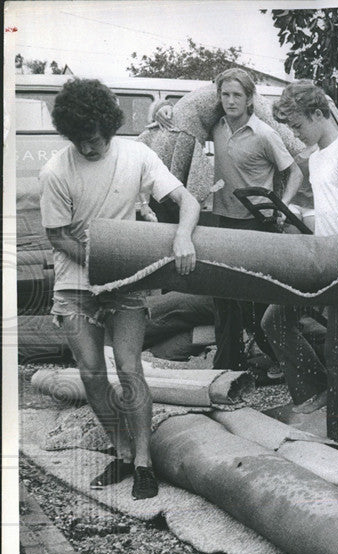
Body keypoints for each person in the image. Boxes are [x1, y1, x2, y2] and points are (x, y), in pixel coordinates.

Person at [40, 78, 199, 499]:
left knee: (129, 368)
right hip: (76, 284)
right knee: (92, 373)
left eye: (93, 140)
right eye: (79, 142)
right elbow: (58, 236)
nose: (88, 149)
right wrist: (95, 269)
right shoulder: (56, 169)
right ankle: (122, 451)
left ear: (108, 126)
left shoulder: (138, 155)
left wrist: (182, 237)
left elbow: (189, 201)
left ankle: (145, 462)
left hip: (125, 283)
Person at [263, 80, 338, 445]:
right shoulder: (318, 156)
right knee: (275, 320)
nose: (296, 133)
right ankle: (317, 391)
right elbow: (328, 208)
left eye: (298, 125)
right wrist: (294, 214)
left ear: (319, 114)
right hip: (321, 255)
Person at [210, 67, 303, 371]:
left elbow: (295, 172)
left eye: (238, 95)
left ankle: (283, 361)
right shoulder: (217, 126)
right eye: (225, 94)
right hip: (224, 218)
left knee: (258, 297)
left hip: (256, 222)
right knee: (223, 295)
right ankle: (227, 364)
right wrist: (162, 110)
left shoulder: (264, 133)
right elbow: (186, 111)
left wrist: (282, 205)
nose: (231, 101)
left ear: (250, 99)